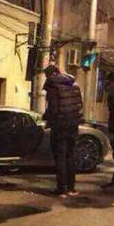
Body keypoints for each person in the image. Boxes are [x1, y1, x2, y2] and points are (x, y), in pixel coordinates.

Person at [43, 65, 84, 198]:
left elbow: (53, 109)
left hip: (60, 126)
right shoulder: (73, 84)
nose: (46, 78)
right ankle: (71, 188)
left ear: (52, 74)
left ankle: (62, 189)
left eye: (47, 75)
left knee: (60, 156)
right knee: (70, 156)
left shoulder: (53, 86)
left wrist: (47, 118)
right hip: (73, 125)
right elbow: (79, 105)